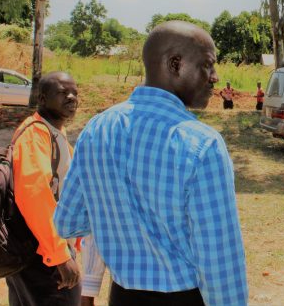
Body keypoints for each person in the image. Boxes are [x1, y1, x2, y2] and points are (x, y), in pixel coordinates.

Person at [54, 21, 248, 306]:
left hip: (122, 296)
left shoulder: (96, 130)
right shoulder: (202, 144)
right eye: (208, 65)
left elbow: (68, 223)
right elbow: (219, 262)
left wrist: (115, 216)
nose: (215, 77)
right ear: (175, 64)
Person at [7, 71, 81, 306]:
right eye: (62, 92)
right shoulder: (35, 135)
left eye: (75, 93)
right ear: (42, 98)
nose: (71, 97)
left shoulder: (53, 132)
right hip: (41, 254)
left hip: (41, 249)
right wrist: (59, 255)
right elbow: (35, 195)